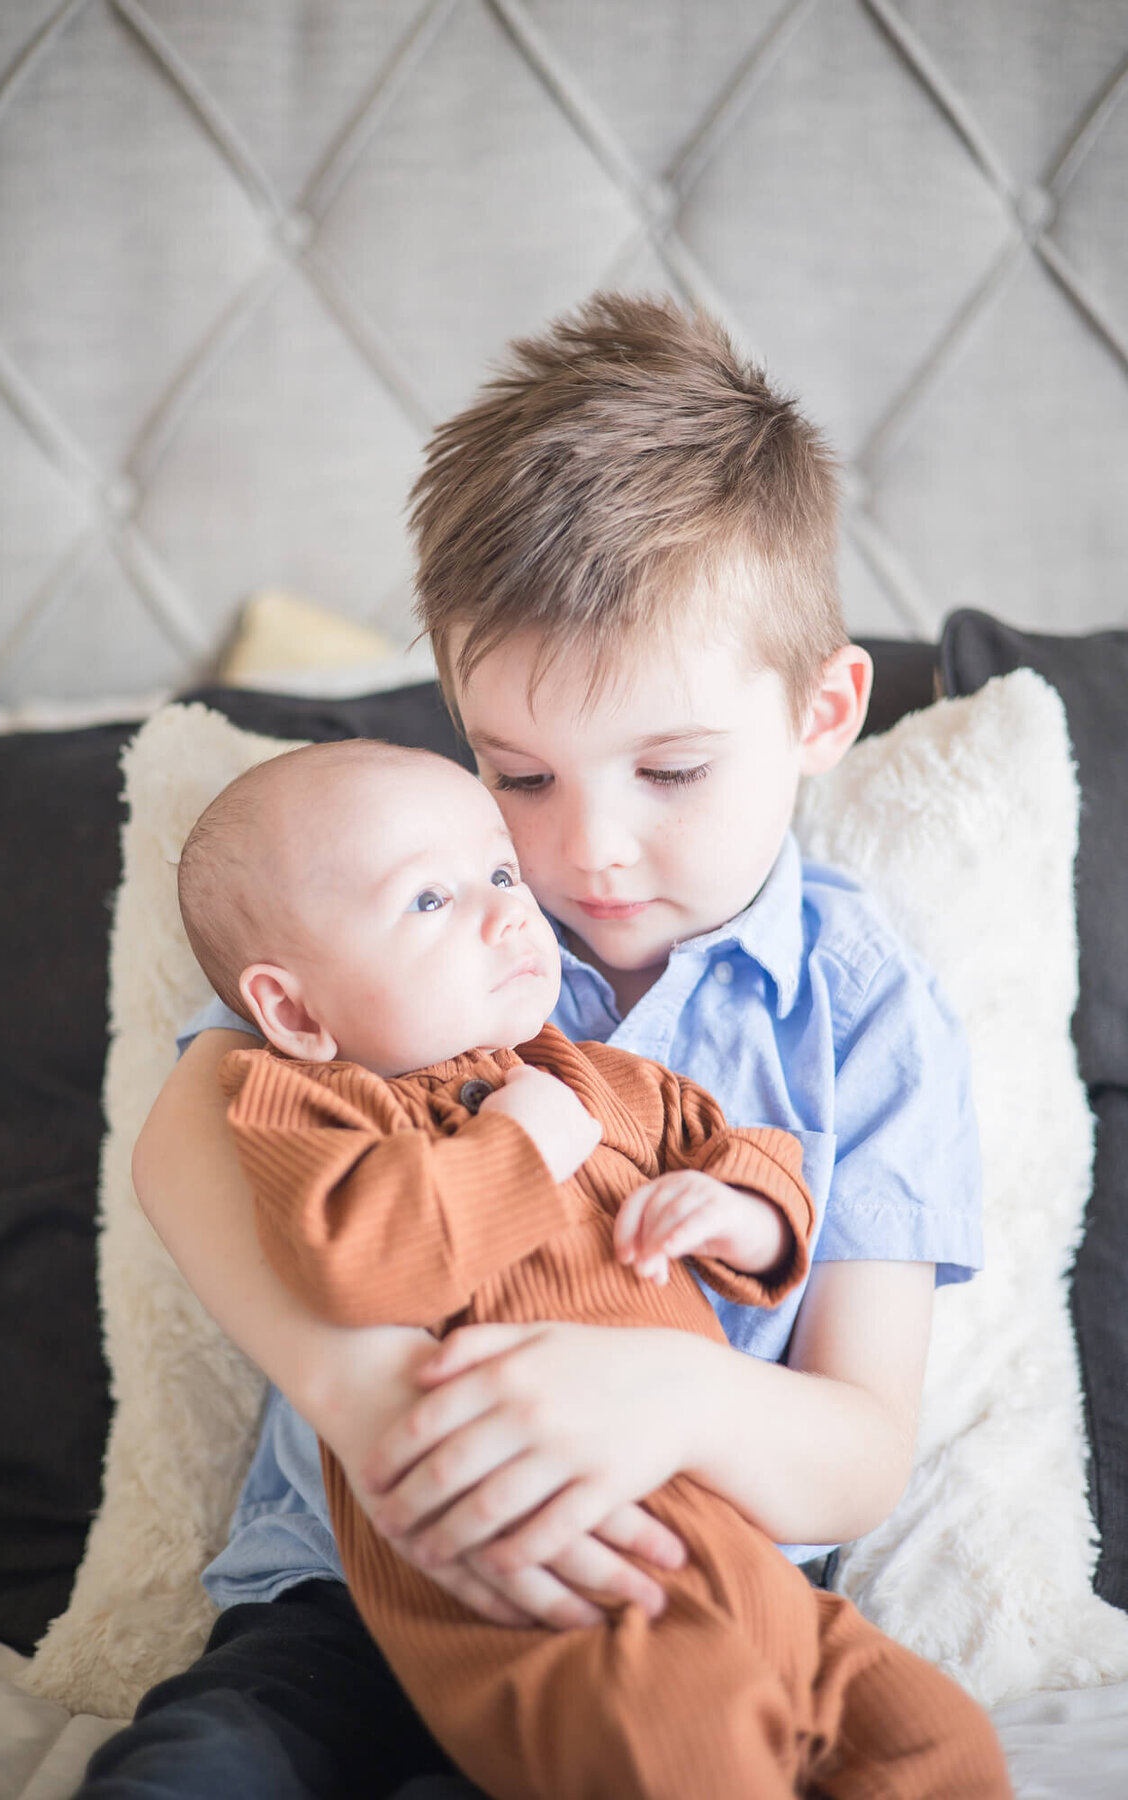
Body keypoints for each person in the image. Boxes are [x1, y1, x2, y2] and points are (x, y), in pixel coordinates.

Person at [82, 294, 1002, 1798]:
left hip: (677, 1587)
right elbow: (195, 1123)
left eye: (672, 769)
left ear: (822, 712)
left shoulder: (863, 1003)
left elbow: (862, 1445)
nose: (587, 852)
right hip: (347, 1592)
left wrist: (666, 1401)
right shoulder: (415, 901)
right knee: (200, 1768)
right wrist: (374, 1414)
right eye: (518, 770)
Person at [180, 736, 1006, 1800]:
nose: (507, 911)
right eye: (429, 903)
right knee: (683, 1747)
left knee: (938, 1742)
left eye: (498, 874)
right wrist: (518, 1147)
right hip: (546, 1572)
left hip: (740, 1557)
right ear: (294, 1011)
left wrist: (743, 1214)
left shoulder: (592, 1073)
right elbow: (358, 1260)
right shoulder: (315, 1108)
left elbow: (741, 1146)